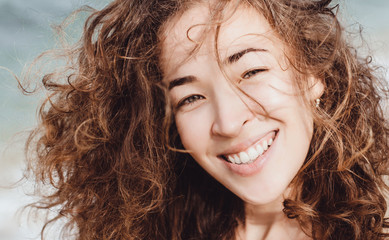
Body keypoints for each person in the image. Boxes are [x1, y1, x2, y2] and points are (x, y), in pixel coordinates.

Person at [25, 0, 389, 239]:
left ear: (313, 73)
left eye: (251, 71)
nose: (227, 123)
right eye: (192, 97)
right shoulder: (162, 229)